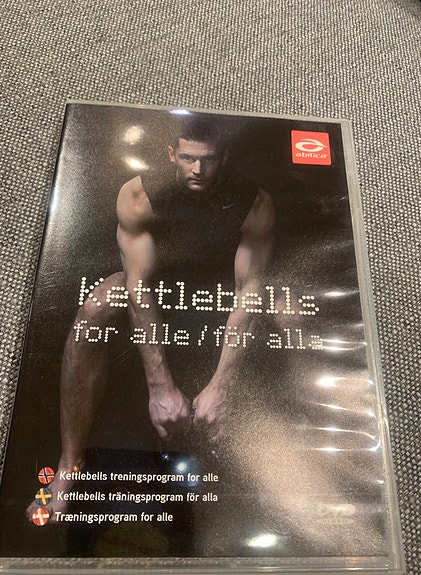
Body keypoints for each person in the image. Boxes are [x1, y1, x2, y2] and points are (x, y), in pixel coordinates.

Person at [26, 118, 275, 521]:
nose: (198, 169)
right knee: (94, 310)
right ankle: (70, 462)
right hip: (158, 284)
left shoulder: (254, 204)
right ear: (171, 154)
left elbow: (249, 291)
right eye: (188, 158)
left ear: (225, 157)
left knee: (291, 312)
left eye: (209, 159)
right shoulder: (139, 196)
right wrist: (161, 388)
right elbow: (138, 285)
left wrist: (221, 385)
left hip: (217, 287)